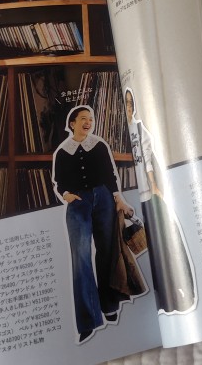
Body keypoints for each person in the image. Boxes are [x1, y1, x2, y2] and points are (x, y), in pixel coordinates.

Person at [52, 105, 145, 344]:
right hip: (78, 205)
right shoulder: (62, 152)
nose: (88, 122)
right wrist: (66, 195)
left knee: (108, 252)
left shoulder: (99, 145)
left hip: (104, 199)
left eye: (91, 119)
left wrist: (119, 200)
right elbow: (58, 182)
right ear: (72, 124)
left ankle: (109, 305)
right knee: (80, 259)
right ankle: (88, 320)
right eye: (83, 119)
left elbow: (111, 176)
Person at [124, 88, 196, 313]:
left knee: (167, 240)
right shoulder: (117, 133)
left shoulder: (139, 128)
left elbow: (147, 159)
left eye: (130, 103)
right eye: (125, 103)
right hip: (131, 200)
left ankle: (183, 291)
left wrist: (154, 185)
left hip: (148, 196)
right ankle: (163, 300)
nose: (128, 107)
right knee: (151, 252)